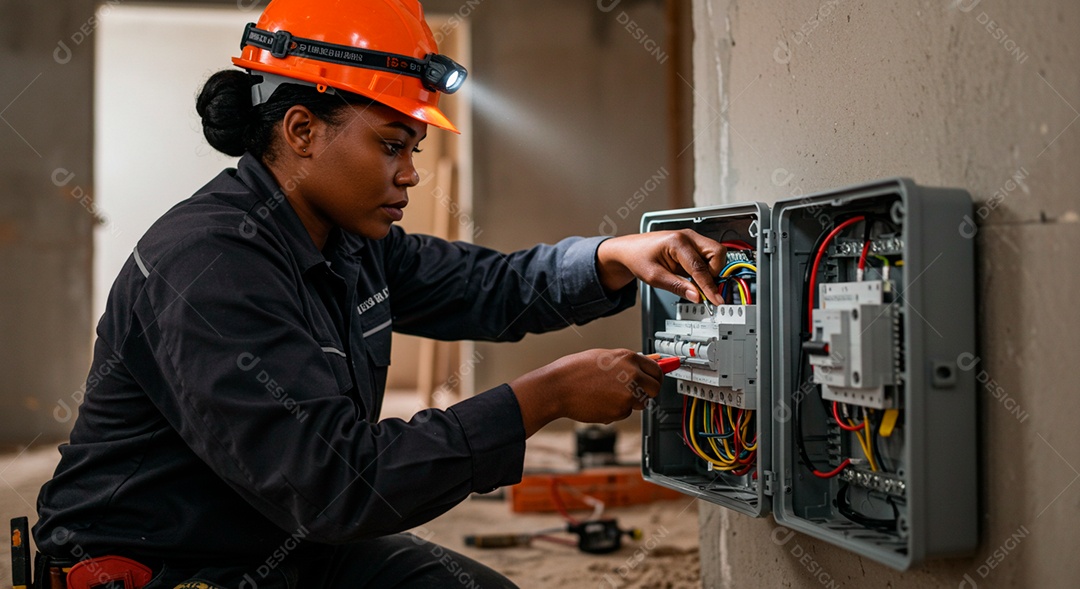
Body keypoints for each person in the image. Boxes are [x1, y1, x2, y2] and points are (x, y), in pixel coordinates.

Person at [33, 1, 727, 587]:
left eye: (416, 149)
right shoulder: (208, 265)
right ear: (301, 129)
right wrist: (541, 398)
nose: (410, 174)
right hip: (164, 560)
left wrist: (616, 258)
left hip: (275, 532)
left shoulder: (346, 239)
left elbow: (488, 285)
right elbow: (335, 482)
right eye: (392, 144)